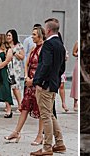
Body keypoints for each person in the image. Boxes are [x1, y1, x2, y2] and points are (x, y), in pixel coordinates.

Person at [30, 19, 67, 156]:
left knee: (45, 116)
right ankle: (59, 143)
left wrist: (37, 81)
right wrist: (55, 80)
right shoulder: (61, 45)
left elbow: (45, 64)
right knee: (50, 114)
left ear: (49, 30)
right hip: (53, 84)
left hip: (44, 85)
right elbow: (62, 67)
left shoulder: (48, 44)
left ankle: (47, 147)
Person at [5, 26, 47, 145]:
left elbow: (43, 67)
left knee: (40, 109)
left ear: (40, 35)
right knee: (25, 107)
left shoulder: (44, 49)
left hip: (38, 82)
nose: (32, 36)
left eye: (34, 34)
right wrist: (26, 76)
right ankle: (16, 132)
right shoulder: (34, 48)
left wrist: (33, 80)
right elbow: (27, 62)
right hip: (29, 81)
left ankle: (40, 135)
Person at [0, 33, 14, 118]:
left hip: (4, 72)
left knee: (5, 90)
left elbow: (7, 61)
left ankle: (9, 110)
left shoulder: (8, 50)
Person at [7, 29, 26, 112]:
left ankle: (20, 104)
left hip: (15, 69)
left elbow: (22, 57)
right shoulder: (5, 45)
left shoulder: (19, 45)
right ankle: (8, 106)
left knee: (15, 87)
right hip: (7, 68)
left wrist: (14, 52)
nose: (8, 37)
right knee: (7, 87)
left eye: (9, 35)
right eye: (7, 35)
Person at [71, 41, 78, 112]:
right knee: (76, 82)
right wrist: (78, 54)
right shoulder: (77, 42)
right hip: (78, 62)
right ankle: (75, 102)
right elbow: (74, 53)